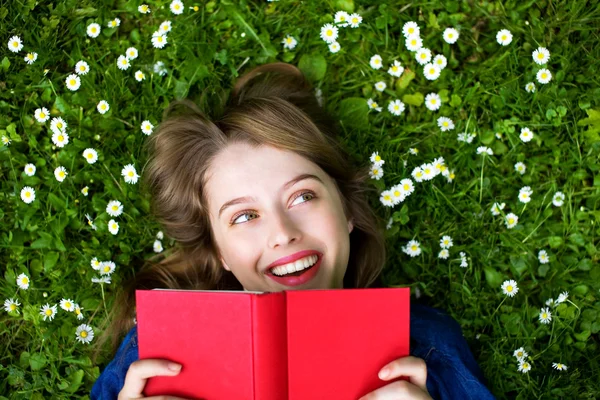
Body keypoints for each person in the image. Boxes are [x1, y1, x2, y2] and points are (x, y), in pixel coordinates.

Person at [90, 62, 496, 399]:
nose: (282, 233)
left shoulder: (430, 349)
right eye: (244, 216)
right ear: (219, 253)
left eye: (302, 197)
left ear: (347, 211)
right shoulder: (150, 359)